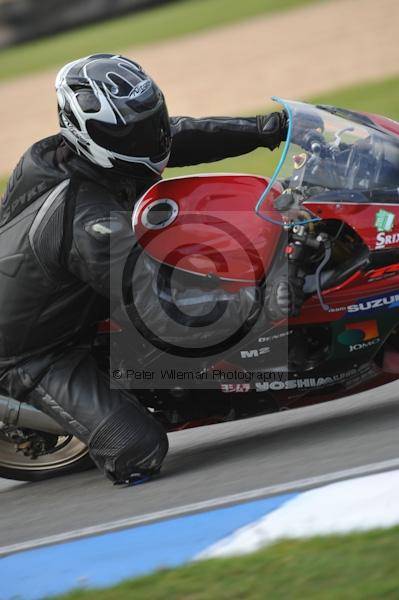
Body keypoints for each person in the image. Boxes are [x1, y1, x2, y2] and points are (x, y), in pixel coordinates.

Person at [0, 53, 288, 485]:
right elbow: (165, 312)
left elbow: (178, 137)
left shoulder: (67, 152)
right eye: (134, 132)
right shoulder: (88, 222)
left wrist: (271, 129)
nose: (152, 137)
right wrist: (269, 304)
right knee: (138, 451)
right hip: (33, 351)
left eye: (150, 120)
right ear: (90, 133)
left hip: (66, 289)